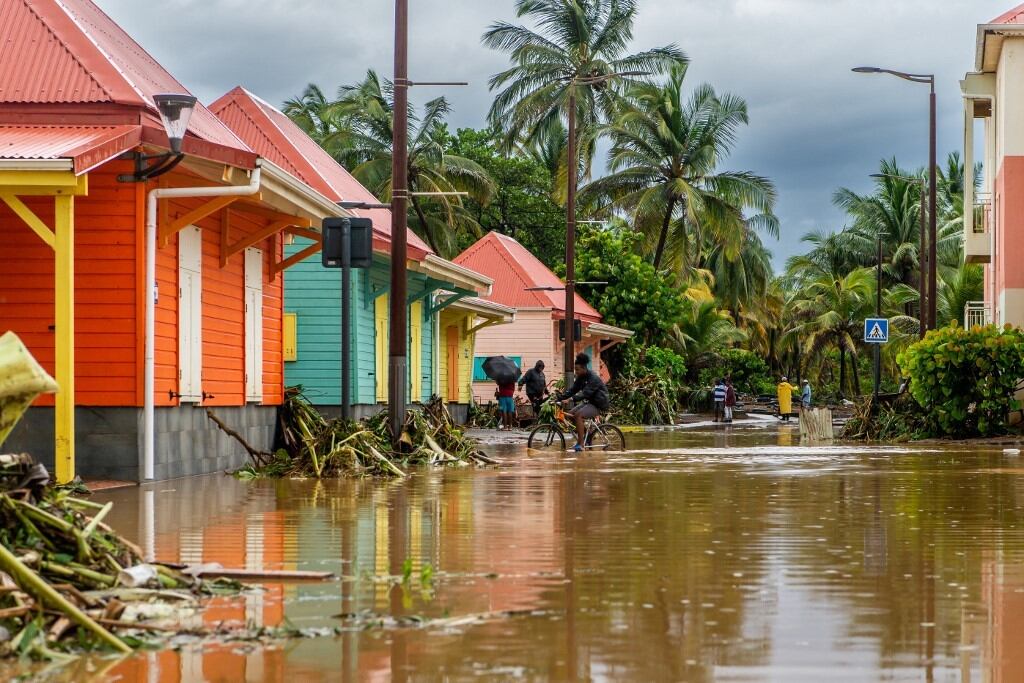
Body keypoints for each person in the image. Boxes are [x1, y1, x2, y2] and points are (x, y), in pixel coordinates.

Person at [558, 353, 610, 452]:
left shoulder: (593, 378)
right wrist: (560, 398)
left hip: (598, 404)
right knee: (570, 414)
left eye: (577, 369)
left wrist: (571, 399)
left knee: (578, 415)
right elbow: (573, 390)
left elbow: (585, 393)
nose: (575, 372)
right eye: (575, 369)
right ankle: (587, 435)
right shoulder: (580, 378)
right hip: (589, 402)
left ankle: (581, 444)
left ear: (584, 368)